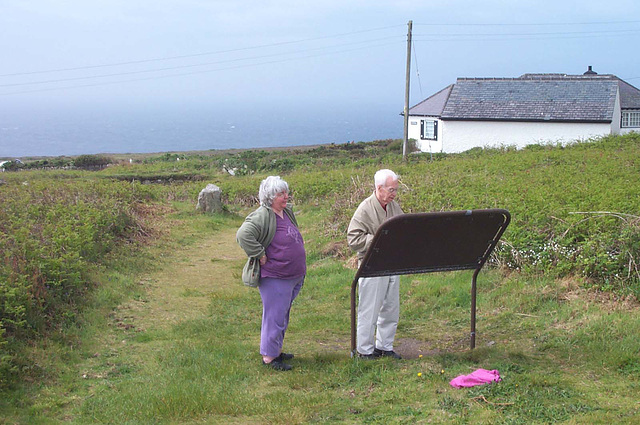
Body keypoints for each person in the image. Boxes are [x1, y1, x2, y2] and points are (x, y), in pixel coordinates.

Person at [236, 176, 306, 371]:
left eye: (286, 192)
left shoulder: (286, 212)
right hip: (275, 276)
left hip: (291, 275)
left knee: (281, 315)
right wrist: (259, 254)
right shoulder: (262, 215)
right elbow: (243, 235)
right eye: (280, 194)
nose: (286, 196)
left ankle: (275, 350)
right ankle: (269, 357)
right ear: (269, 197)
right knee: (274, 316)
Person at [347, 169, 404, 359]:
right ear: (379, 188)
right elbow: (353, 239)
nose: (394, 194)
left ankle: (385, 347)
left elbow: (403, 228)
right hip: (371, 265)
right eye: (390, 190)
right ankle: (364, 350)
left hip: (392, 263)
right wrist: (380, 240)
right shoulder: (365, 208)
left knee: (391, 307)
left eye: (395, 190)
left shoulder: (394, 207)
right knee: (369, 309)